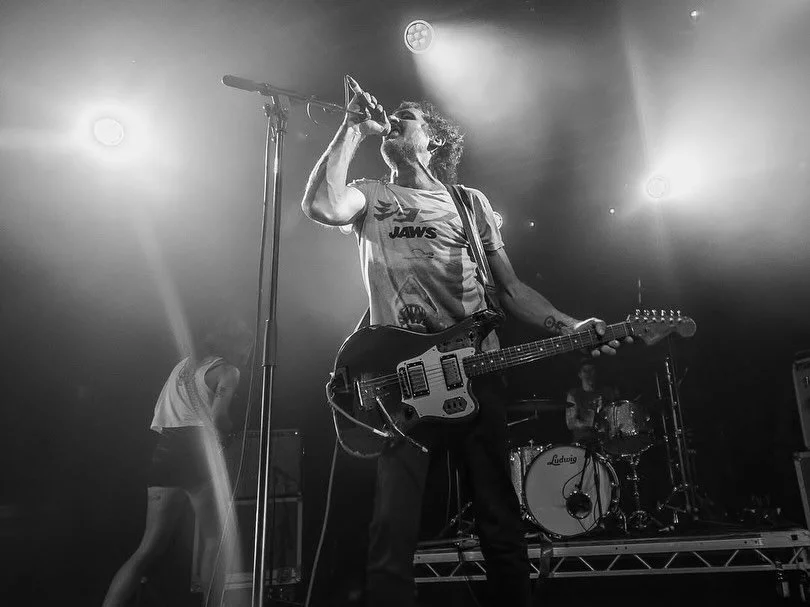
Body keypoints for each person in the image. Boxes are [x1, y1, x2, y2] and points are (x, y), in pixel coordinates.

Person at [300, 75, 630, 607]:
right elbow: (321, 205)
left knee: (498, 517)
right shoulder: (372, 193)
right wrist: (352, 128)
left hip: (476, 372)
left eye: (406, 115)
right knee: (392, 526)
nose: (394, 119)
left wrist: (571, 326)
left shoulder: (469, 203)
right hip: (403, 383)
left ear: (432, 138)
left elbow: (511, 289)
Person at [102, 318, 252, 607]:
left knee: (148, 548)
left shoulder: (184, 366)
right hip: (197, 453)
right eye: (248, 345)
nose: (249, 352)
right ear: (235, 345)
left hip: (166, 452)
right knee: (214, 541)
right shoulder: (228, 371)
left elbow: (163, 414)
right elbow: (219, 418)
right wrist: (233, 434)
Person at [565, 359, 619, 446]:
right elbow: (570, 423)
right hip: (582, 442)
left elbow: (614, 417)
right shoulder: (573, 394)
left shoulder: (607, 392)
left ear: (596, 372)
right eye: (585, 371)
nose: (588, 374)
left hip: (605, 441)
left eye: (591, 370)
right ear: (580, 375)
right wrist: (591, 424)